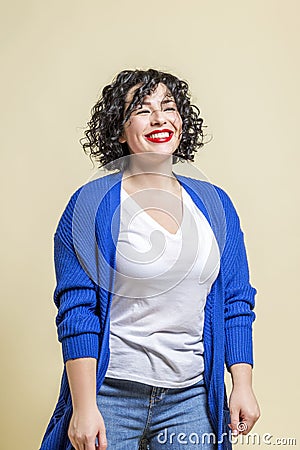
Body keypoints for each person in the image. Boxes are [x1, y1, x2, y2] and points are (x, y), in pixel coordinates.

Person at [39, 69, 260, 450]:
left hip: (191, 397)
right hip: (109, 393)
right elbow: (77, 310)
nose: (160, 118)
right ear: (120, 130)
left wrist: (242, 384)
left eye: (168, 107)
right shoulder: (90, 205)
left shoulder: (214, 204)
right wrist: (84, 405)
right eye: (142, 110)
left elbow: (236, 301)